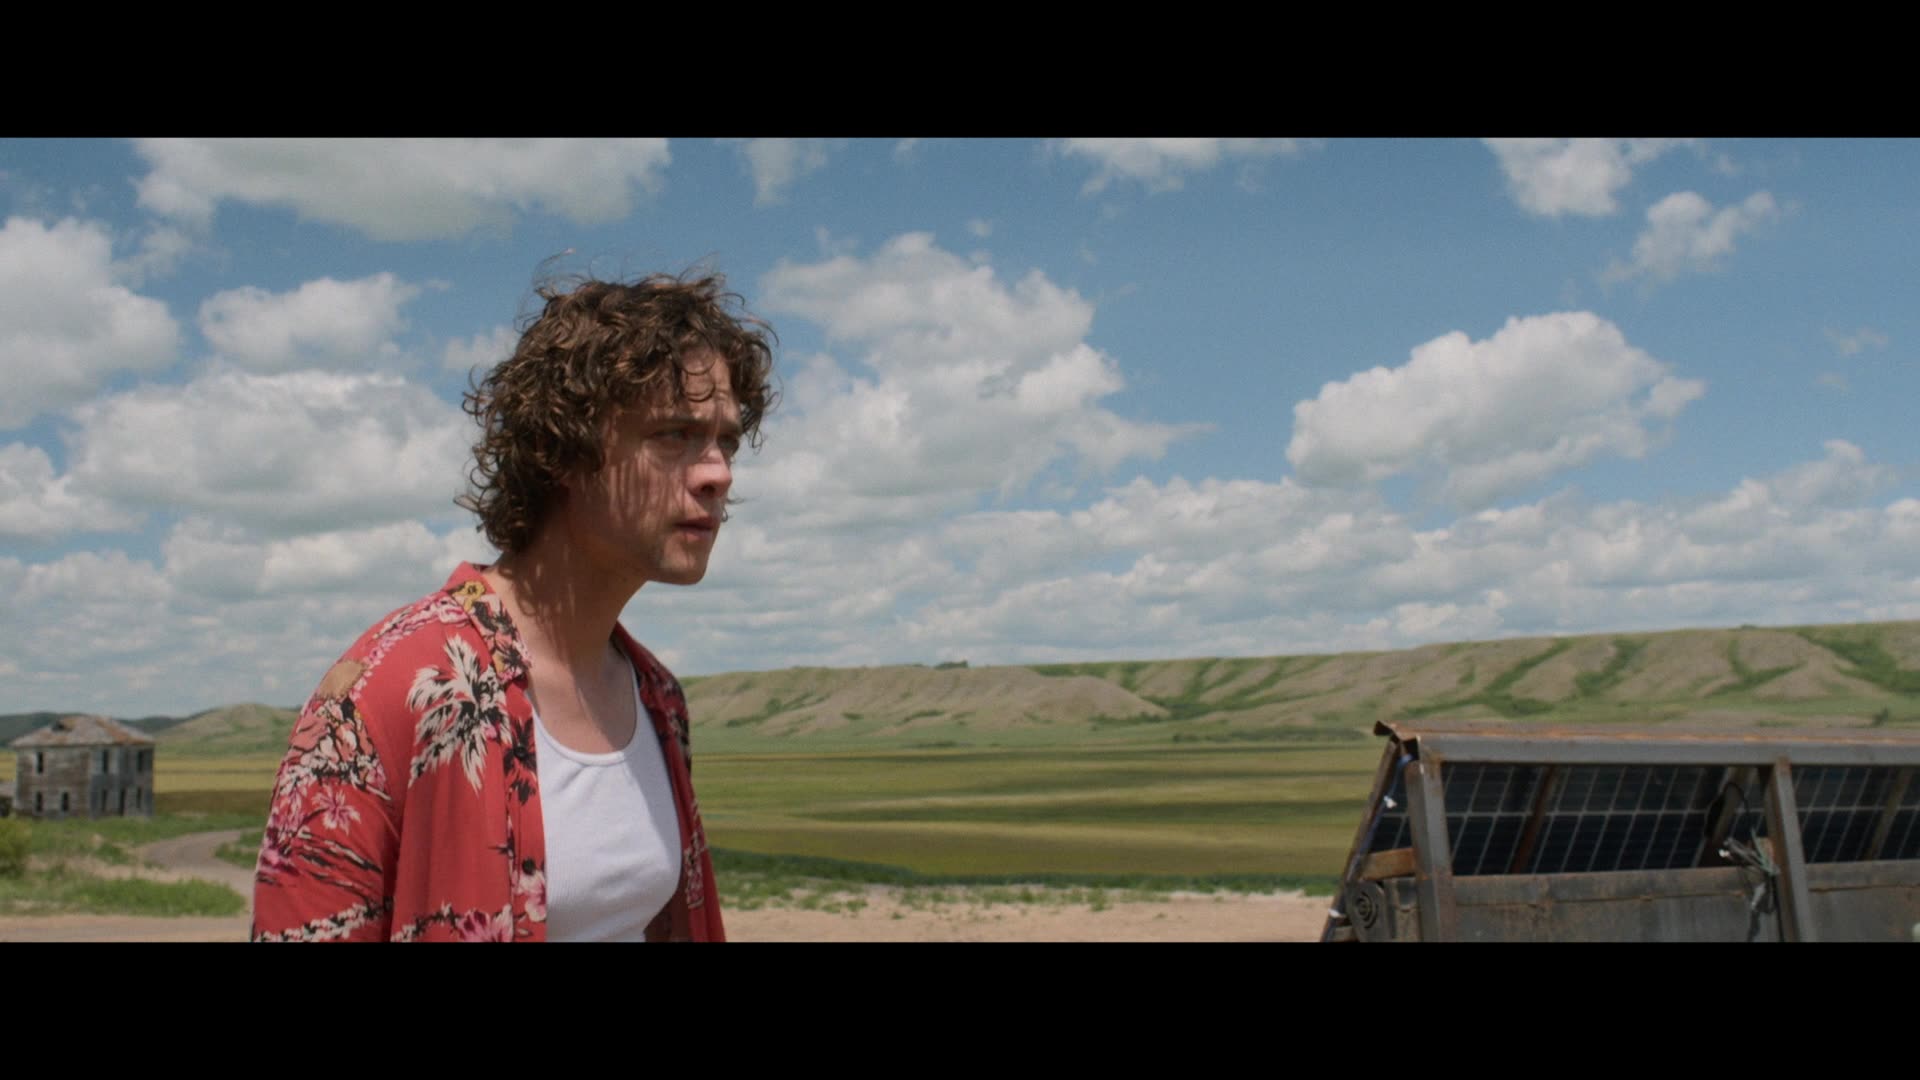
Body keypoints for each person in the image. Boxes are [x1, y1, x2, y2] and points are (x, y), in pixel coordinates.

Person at [252, 271, 776, 941]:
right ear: (564, 449)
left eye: (726, 441)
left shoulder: (658, 700)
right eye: (675, 434)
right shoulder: (392, 687)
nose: (718, 473)